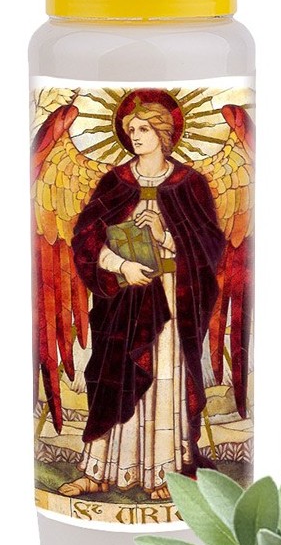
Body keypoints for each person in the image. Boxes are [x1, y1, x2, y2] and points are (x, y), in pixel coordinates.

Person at [59, 97, 224, 500]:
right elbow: (86, 239)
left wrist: (165, 235)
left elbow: (210, 247)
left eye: (144, 129)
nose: (135, 136)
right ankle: (98, 471)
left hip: (170, 299)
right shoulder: (116, 182)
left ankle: (165, 474)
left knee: (164, 379)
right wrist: (121, 265)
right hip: (124, 301)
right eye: (131, 130)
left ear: (163, 134)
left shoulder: (189, 183)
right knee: (114, 378)